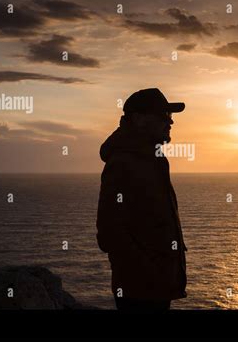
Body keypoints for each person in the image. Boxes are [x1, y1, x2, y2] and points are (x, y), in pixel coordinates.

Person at [96, 88, 187, 312]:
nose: (170, 122)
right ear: (138, 119)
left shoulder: (153, 159)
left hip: (156, 286)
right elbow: (109, 232)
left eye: (170, 116)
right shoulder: (123, 163)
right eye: (163, 116)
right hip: (139, 290)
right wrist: (148, 269)